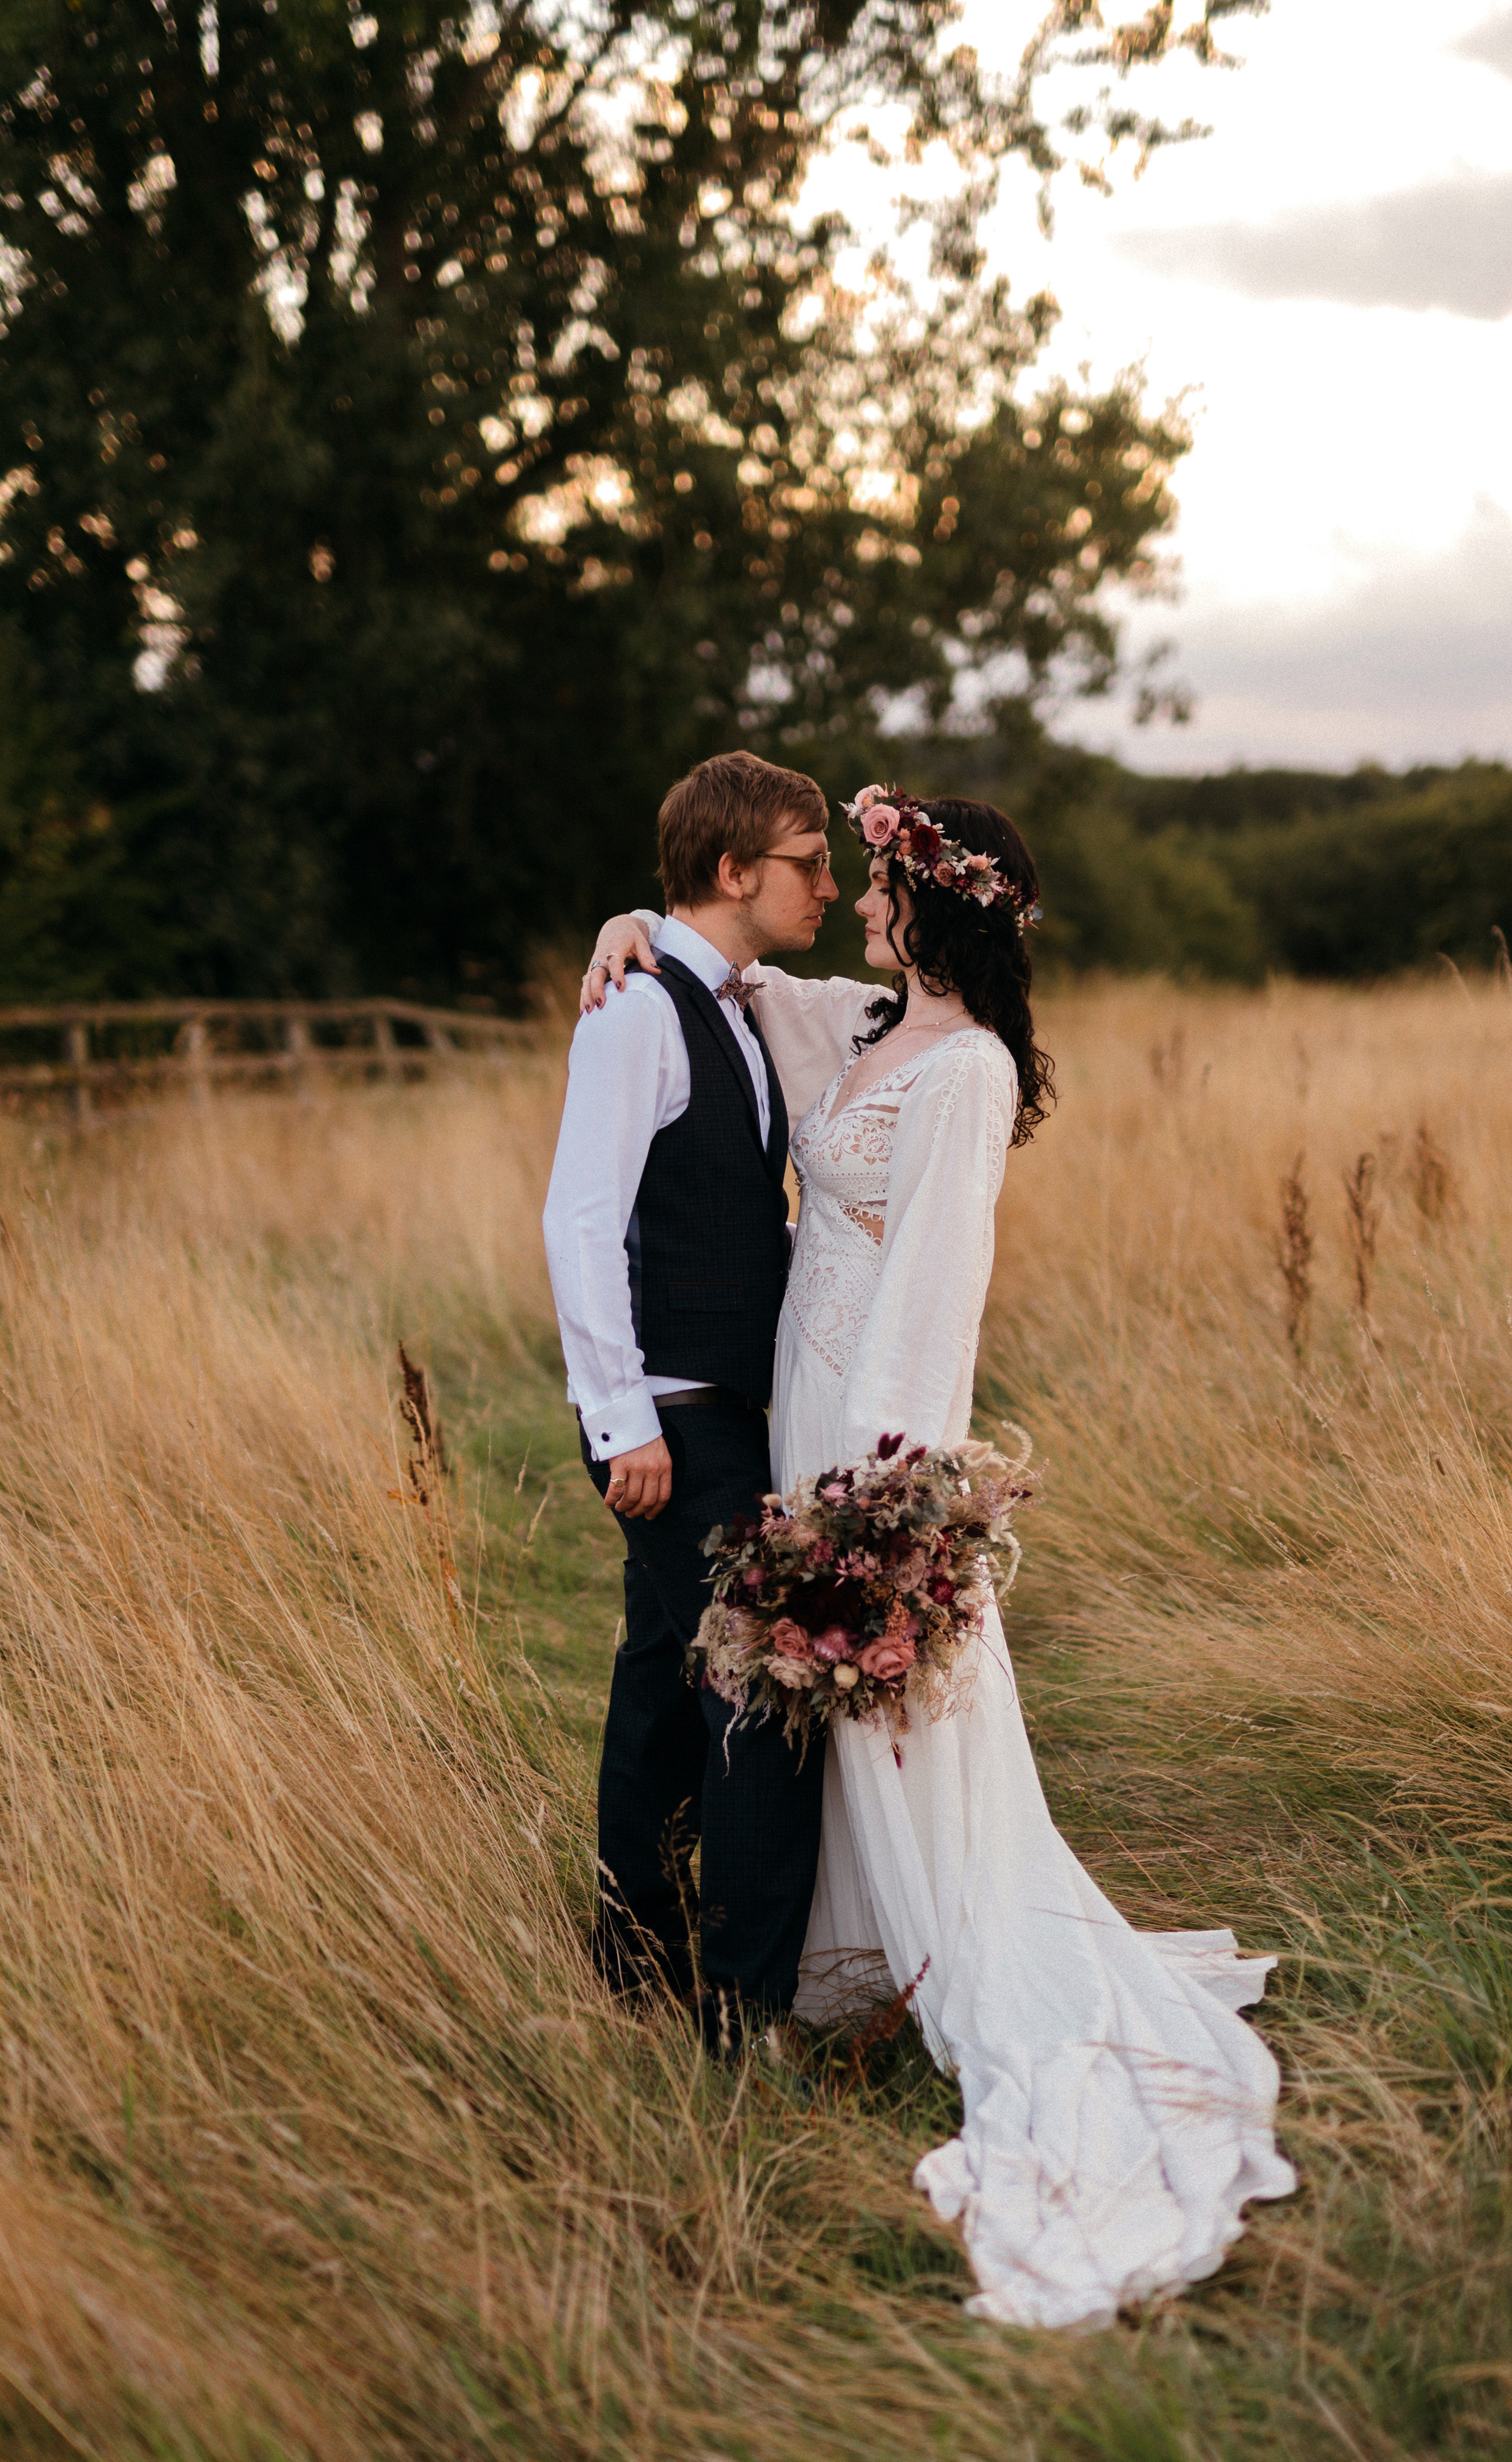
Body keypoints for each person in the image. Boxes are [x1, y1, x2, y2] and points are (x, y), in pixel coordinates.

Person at [579, 783, 1296, 2329]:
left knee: (856, 1680)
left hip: (863, 1418)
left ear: (936, 900)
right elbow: (721, 964)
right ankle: (829, 1947)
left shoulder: (968, 1069)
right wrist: (628, 920)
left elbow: (939, 1285)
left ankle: (902, 1949)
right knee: (784, 1691)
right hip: (789, 1399)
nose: (856, 899)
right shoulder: (851, 1022)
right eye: (846, 875)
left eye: (881, 880)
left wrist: (884, 1488)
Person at [542, 749, 839, 2052]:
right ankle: (747, 2012)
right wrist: (624, 1423)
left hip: (720, 1405)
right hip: (668, 1416)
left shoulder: (734, 998)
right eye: (807, 864)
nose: (829, 886)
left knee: (663, 1683)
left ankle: (634, 1956)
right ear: (733, 869)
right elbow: (581, 1221)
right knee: (764, 1684)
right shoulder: (638, 1014)